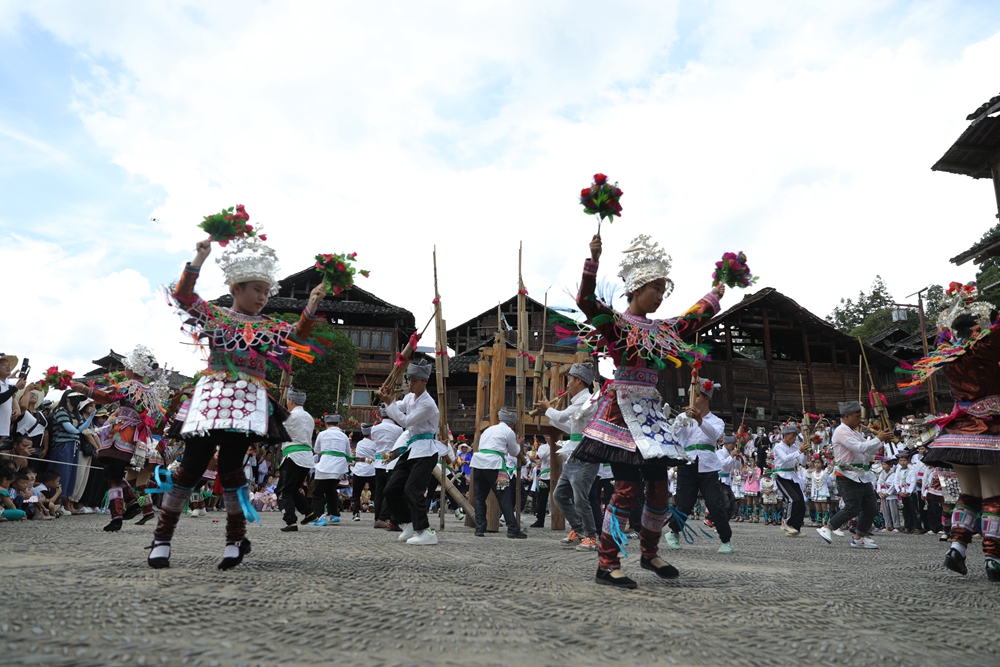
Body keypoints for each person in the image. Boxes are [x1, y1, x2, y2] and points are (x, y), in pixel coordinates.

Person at [149, 228, 328, 570]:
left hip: (246, 404)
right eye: (257, 290)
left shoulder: (269, 327)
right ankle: (161, 539)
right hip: (210, 401)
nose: (262, 297)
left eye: (266, 292)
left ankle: (234, 540)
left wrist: (313, 302)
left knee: (231, 470)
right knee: (190, 469)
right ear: (236, 289)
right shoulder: (216, 317)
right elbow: (184, 297)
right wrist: (200, 257)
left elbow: (299, 336)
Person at [571, 233, 723, 589]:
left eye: (662, 290)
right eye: (656, 288)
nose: (660, 296)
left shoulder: (662, 330)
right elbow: (586, 300)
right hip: (621, 414)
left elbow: (692, 320)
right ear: (637, 290)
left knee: (658, 492)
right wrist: (592, 261)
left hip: (651, 417)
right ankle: (606, 564)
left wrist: (715, 292)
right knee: (625, 489)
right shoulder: (616, 325)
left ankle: (649, 551)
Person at [71, 344, 170, 531]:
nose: (124, 370)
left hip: (122, 433)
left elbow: (107, 398)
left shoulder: (130, 386)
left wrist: (85, 389)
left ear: (132, 368)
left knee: (113, 473)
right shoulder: (149, 391)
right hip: (137, 436)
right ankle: (131, 505)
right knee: (113, 473)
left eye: (125, 366)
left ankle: (121, 513)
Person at [379, 360, 446, 546]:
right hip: (411, 449)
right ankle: (408, 522)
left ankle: (426, 531)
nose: (410, 383)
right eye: (409, 379)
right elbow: (396, 410)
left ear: (424, 381)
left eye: (415, 380)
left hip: (426, 450)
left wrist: (389, 403)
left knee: (412, 489)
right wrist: (389, 399)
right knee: (391, 489)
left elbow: (405, 422)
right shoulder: (409, 398)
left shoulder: (429, 404)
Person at [664, 381, 732, 551]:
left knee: (715, 504)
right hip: (687, 463)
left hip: (708, 466)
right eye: (691, 395)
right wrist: (682, 423)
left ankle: (725, 540)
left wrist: (699, 420)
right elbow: (672, 436)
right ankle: (673, 531)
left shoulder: (716, 421)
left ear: (707, 398)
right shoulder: (681, 417)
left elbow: (714, 436)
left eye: (698, 395)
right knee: (684, 504)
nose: (693, 398)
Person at [815, 401, 893, 548]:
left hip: (861, 475)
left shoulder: (855, 432)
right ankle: (827, 527)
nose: (860, 420)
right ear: (847, 416)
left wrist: (881, 441)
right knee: (852, 507)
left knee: (871, 507)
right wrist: (878, 439)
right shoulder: (841, 431)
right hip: (847, 475)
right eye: (857, 416)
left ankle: (859, 537)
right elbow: (859, 447)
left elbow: (868, 451)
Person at [538, 362, 599, 550]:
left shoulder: (587, 400)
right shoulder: (580, 401)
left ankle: (591, 536)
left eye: (570, 380)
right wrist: (551, 417)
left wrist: (548, 409)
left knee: (580, 498)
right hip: (575, 454)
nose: (568, 385)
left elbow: (563, 417)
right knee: (560, 495)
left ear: (579, 380)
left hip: (586, 455)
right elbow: (570, 427)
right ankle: (579, 529)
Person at [469, 407, 526, 539]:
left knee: (479, 497)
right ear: (511, 423)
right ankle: (512, 528)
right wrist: (519, 445)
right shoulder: (508, 431)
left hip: (478, 463)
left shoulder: (488, 430)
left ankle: (480, 528)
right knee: (504, 496)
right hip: (496, 466)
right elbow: (513, 452)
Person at [277, 388, 318, 532]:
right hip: (306, 458)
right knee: (293, 489)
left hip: (293, 457)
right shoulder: (309, 417)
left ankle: (291, 521)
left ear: (291, 400)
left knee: (283, 491)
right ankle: (309, 513)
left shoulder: (290, 415)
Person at [47, 391, 95, 515]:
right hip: (62, 445)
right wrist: (79, 430)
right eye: (76, 398)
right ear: (68, 398)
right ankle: (57, 502)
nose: (78, 400)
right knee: (62, 472)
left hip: (74, 444)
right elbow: (72, 429)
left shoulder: (76, 414)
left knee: (71, 474)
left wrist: (90, 417)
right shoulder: (61, 411)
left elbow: (80, 428)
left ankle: (65, 503)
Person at [309, 413, 351, 526]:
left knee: (317, 492)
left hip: (326, 465)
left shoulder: (322, 434)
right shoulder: (344, 436)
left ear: (326, 424)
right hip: (340, 468)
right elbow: (348, 453)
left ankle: (319, 517)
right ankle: (334, 514)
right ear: (338, 424)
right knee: (331, 490)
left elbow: (317, 450)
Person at [772, 423, 810, 537]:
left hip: (792, 475)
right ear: (786, 435)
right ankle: (786, 523)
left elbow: (803, 463)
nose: (794, 439)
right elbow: (785, 459)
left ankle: (795, 528)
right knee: (794, 499)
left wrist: (805, 453)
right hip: (781, 475)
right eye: (793, 436)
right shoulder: (778, 447)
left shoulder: (795, 447)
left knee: (801, 502)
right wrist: (799, 451)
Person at [371, 407, 403, 529]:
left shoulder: (374, 429)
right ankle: (383, 517)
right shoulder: (398, 429)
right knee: (389, 491)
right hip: (391, 462)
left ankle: (377, 517)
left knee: (379, 491)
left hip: (378, 461)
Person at [351, 424, 377, 521]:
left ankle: (356, 514)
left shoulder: (359, 443)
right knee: (375, 491)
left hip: (359, 469)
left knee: (356, 493)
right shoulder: (374, 444)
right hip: (371, 469)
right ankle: (375, 508)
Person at [0, 353, 27, 448]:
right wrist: (15, 387)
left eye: (8, 365)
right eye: (3, 365)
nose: (8, 366)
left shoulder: (7, 386)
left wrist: (13, 411)